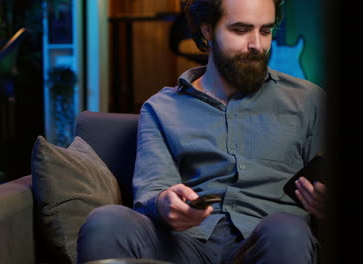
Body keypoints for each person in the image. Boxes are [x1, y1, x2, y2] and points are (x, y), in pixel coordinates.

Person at [77, 0, 327, 263]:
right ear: (207, 30)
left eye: (265, 31)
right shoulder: (162, 108)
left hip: (270, 241)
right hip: (187, 243)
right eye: (241, 30)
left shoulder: (307, 101)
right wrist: (165, 203)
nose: (257, 45)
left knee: (286, 231)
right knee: (105, 222)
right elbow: (153, 189)